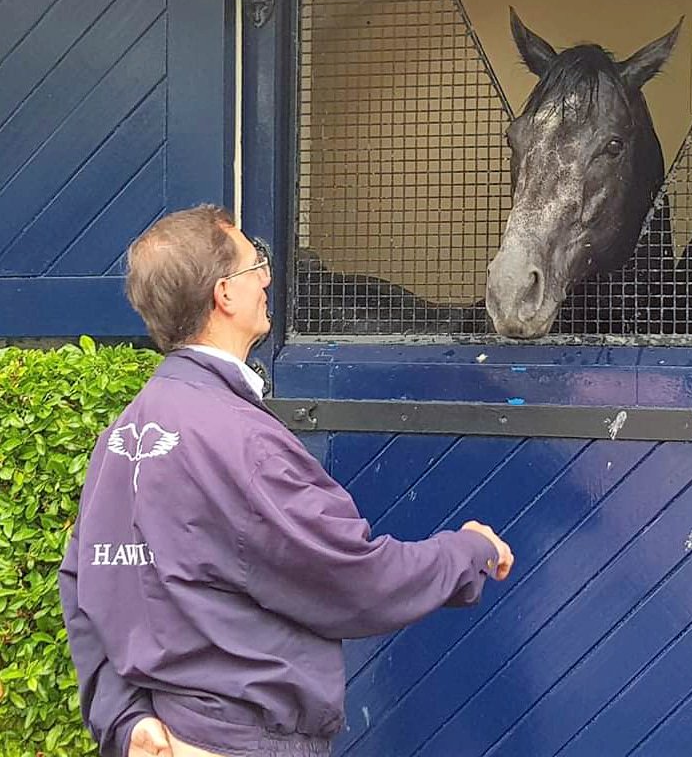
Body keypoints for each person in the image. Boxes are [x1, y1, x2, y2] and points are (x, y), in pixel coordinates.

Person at [58, 205, 514, 757]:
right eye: (257, 265)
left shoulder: (124, 434)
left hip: (166, 738)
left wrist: (123, 716)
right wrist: (468, 552)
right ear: (224, 294)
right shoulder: (241, 440)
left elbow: (82, 580)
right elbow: (353, 578)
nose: (268, 278)